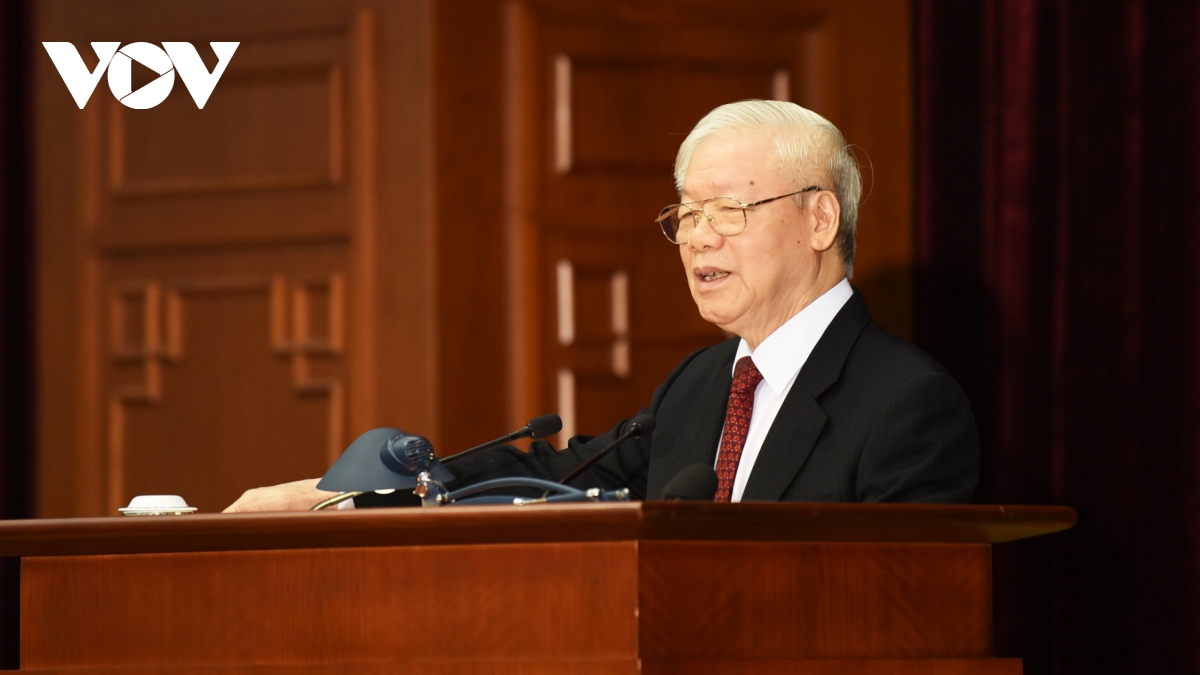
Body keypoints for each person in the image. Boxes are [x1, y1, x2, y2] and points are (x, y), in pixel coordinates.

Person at [225, 100, 977, 513]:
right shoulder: (701, 384)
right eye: (686, 213)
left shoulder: (906, 403)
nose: (698, 237)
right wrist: (345, 497)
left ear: (820, 219)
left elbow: (905, 617)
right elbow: (558, 474)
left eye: (728, 209)